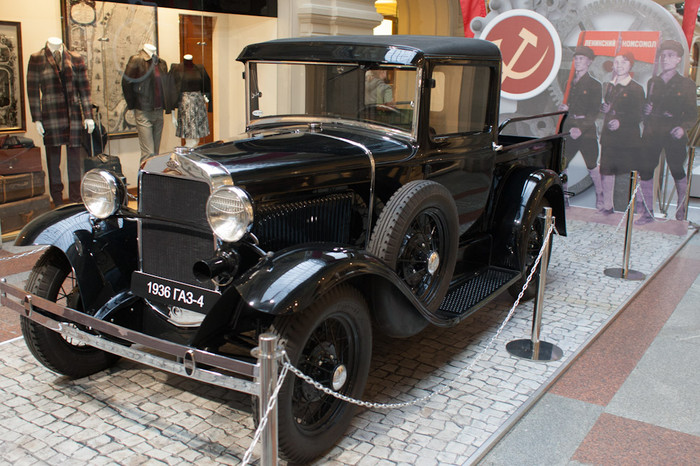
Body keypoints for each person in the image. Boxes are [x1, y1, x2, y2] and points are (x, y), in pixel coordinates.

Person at [27, 37, 95, 205]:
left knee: (74, 161)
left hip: (73, 115)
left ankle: (75, 201)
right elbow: (32, 90)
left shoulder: (75, 58)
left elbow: (84, 89)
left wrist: (88, 115)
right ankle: (57, 201)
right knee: (53, 161)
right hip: (51, 115)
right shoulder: (37, 58)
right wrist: (37, 119)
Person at [637, 40, 697, 223]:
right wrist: (645, 111)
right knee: (646, 170)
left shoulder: (686, 84)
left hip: (673, 133)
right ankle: (647, 213)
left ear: (678, 59)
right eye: (663, 55)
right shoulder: (653, 82)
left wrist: (683, 128)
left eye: (670, 55)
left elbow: (692, 114)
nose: (665, 59)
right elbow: (645, 110)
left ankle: (681, 211)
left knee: (677, 170)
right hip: (652, 132)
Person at [599, 52, 644, 214]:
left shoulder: (636, 89)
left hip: (626, 140)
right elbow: (610, 107)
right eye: (616, 62)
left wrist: (620, 122)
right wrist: (606, 110)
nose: (619, 66)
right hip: (609, 138)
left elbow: (639, 114)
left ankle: (624, 210)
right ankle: (608, 206)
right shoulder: (610, 86)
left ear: (630, 65)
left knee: (624, 173)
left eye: (624, 62)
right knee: (606, 171)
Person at [559, 46, 603, 209]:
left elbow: (594, 112)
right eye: (576, 58)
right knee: (563, 164)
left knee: (592, 165)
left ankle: (600, 197)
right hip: (569, 128)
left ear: (589, 62)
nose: (578, 62)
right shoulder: (569, 84)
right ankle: (564, 198)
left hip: (586, 132)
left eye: (581, 59)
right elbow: (570, 106)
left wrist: (581, 129)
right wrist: (565, 109)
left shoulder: (594, 85)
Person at [121, 43, 171, 162]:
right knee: (148, 153)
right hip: (143, 110)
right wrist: (133, 105)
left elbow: (165, 85)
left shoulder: (161, 63)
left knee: (156, 154)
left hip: (158, 111)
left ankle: (153, 175)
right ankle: (144, 174)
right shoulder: (137, 60)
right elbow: (126, 83)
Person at [168, 54, 211, 147]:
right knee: (190, 137)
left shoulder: (199, 68)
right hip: (186, 104)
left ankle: (190, 153)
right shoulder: (176, 69)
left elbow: (206, 84)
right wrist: (172, 115)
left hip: (199, 103)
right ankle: (186, 153)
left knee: (197, 137)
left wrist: (206, 96)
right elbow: (171, 89)